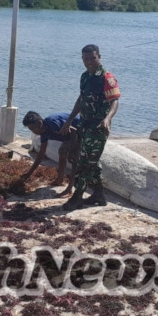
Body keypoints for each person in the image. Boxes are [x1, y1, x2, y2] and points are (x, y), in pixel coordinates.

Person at [59, 44, 120, 211]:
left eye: (92, 58)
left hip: (99, 128)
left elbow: (114, 101)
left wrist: (107, 118)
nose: (89, 62)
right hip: (84, 125)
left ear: (99, 57)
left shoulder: (107, 78)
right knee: (92, 162)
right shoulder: (85, 77)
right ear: (82, 59)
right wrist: (70, 119)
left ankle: (78, 197)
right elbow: (81, 99)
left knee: (84, 163)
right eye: (86, 59)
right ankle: (99, 195)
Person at [20, 111, 80, 194]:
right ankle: (60, 179)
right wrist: (29, 173)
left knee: (73, 159)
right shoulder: (43, 133)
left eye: (33, 128)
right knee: (62, 152)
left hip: (80, 130)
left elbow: (74, 132)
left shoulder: (53, 123)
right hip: (69, 136)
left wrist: (72, 151)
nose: (33, 131)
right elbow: (41, 154)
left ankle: (69, 189)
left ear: (39, 123)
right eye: (30, 130)